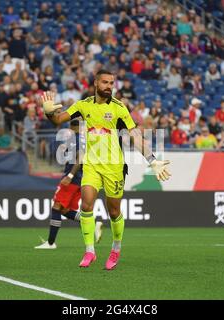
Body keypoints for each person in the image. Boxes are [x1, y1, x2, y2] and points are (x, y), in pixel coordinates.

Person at [40, 69, 171, 270]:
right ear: (95, 83)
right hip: (91, 165)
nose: (109, 86)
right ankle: (89, 251)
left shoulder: (119, 108)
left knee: (114, 211)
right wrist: (49, 111)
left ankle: (115, 248)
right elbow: (58, 120)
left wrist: (152, 160)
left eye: (112, 83)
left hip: (114, 167)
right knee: (86, 206)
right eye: (105, 82)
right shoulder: (83, 105)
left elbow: (135, 135)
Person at [35, 120, 103, 249]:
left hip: (73, 178)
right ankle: (93, 223)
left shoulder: (75, 139)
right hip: (82, 178)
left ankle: (50, 243)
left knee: (56, 207)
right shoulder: (84, 139)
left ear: (72, 127)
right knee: (65, 210)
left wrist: (70, 175)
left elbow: (80, 157)